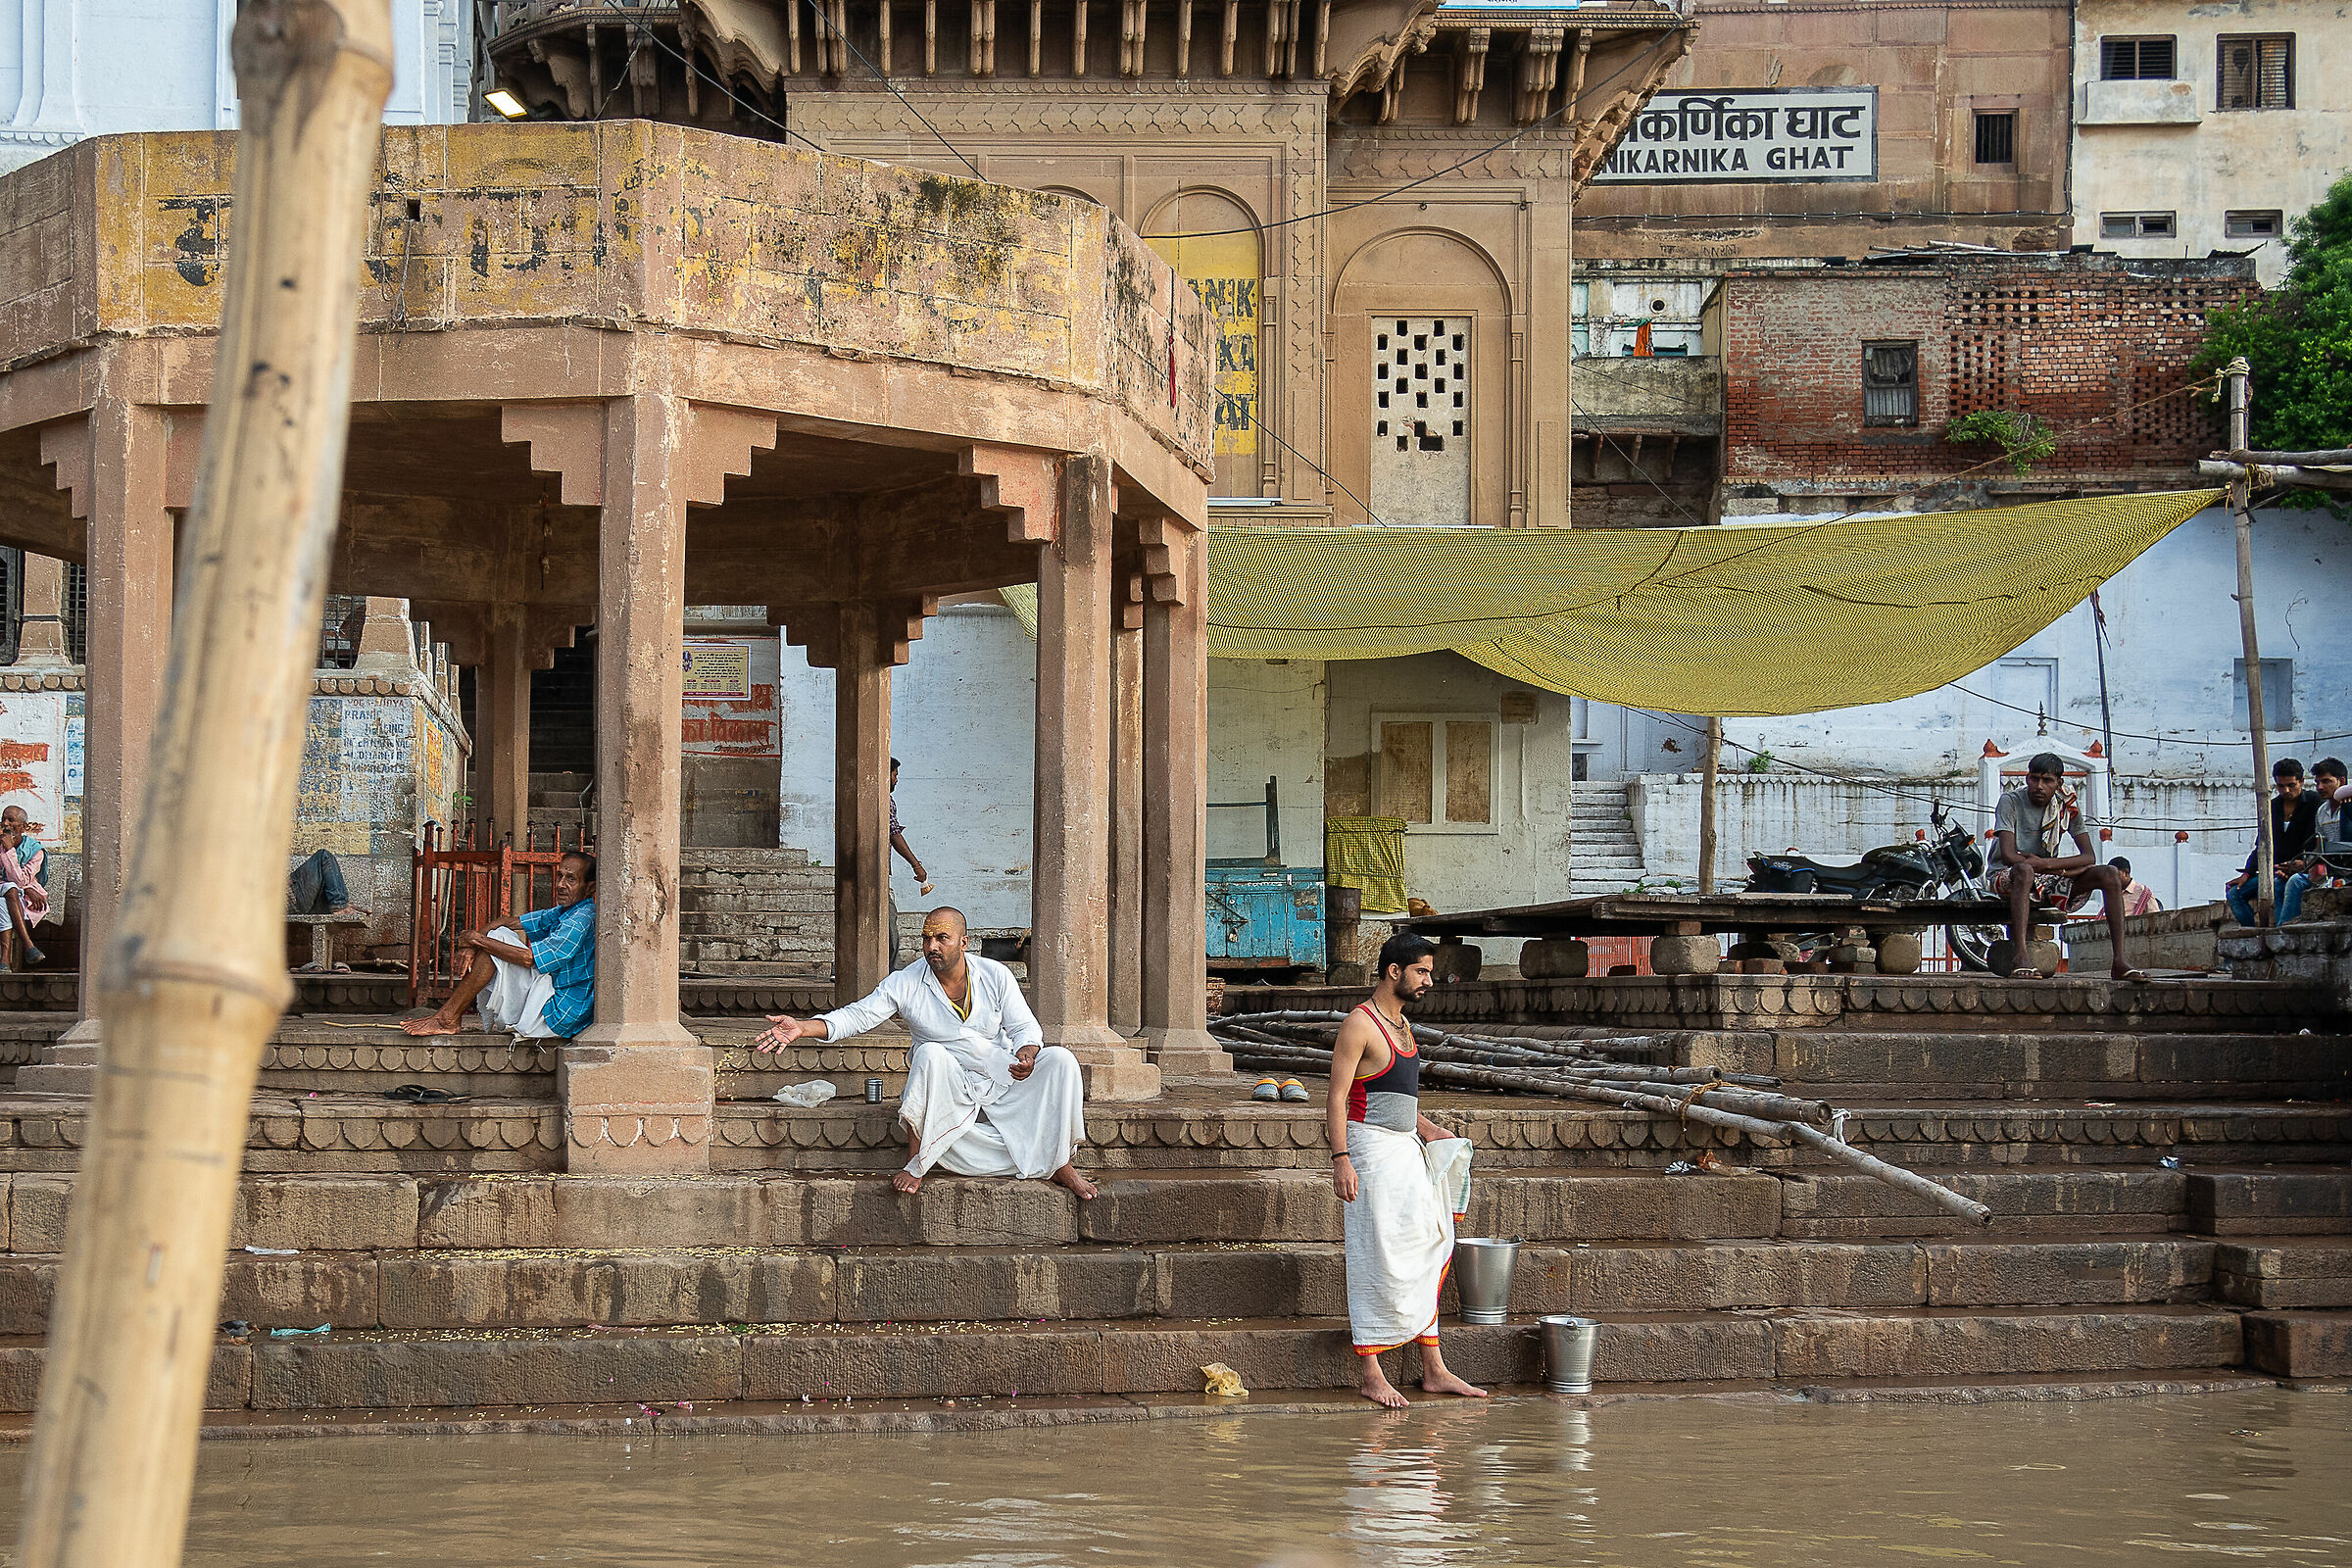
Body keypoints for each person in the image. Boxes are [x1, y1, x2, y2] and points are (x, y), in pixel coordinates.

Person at [753, 906, 1094, 1200]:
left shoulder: (995, 975)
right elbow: (857, 1016)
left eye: (941, 938)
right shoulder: (906, 981)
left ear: (964, 942)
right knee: (929, 1052)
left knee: (1061, 1060)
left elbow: (1024, 1028)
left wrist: (1027, 1055)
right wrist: (803, 1027)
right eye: (926, 938)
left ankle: (1059, 1163)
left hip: (1000, 1076)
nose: (931, 946)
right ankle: (917, 1161)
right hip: (947, 1084)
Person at [1328, 932, 1483, 1409]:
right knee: (1377, 1254)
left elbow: (1400, 1098)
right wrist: (1341, 1160)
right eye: (1421, 971)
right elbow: (1336, 1098)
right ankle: (1371, 1373)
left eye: (1429, 972)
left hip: (1405, 1149)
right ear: (1394, 971)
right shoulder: (1360, 1024)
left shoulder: (1404, 1026)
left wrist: (1431, 1128)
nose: (1428, 980)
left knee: (1427, 1245)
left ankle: (1434, 1369)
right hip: (1369, 1152)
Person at [401, 851, 596, 1038]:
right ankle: (448, 1016)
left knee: (494, 946)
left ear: (589, 888)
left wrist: (476, 940)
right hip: (550, 994)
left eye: (571, 879)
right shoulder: (566, 911)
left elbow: (529, 959)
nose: (561, 884)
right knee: (497, 937)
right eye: (560, 876)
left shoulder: (581, 919)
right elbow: (505, 921)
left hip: (561, 1012)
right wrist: (472, 944)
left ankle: (447, 1018)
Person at [1989, 753, 2139, 981]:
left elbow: (2088, 856)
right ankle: (2021, 957)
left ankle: (2119, 961)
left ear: (2059, 783)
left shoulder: (2066, 806)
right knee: (2024, 870)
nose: (2039, 786)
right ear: (2027, 779)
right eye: (2034, 778)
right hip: (2008, 876)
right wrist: (2043, 867)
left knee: (2109, 873)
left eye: (2047, 780)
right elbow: (2010, 856)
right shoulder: (2010, 801)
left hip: (2047, 875)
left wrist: (2046, 864)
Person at [2226, 759, 2319, 927]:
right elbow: (2261, 845)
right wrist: (2247, 873)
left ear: (2302, 781)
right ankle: (2255, 933)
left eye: (2291, 785)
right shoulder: (2271, 807)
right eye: (2281, 786)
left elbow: (2316, 842)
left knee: (2279, 886)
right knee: (2234, 893)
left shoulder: (2315, 802)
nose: (2286, 790)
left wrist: (2300, 864)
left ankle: (2281, 931)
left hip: (2302, 869)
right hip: (2273, 871)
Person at [887, 758, 933, 968]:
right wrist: (916, 865)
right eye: (895, 775)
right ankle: (894, 971)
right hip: (872, 874)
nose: (896, 780)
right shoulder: (885, 801)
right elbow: (894, 834)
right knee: (888, 925)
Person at [0, 807, 50, 970]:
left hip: (17, 897)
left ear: (24, 827)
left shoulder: (36, 850)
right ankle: (28, 946)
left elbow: (20, 880)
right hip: (12, 890)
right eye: (4, 819)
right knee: (11, 889)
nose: (5, 824)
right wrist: (27, 887)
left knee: (5, 901)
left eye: (11, 820)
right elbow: (18, 882)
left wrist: (10, 851)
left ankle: (5, 961)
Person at [287, 848, 367, 920]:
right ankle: (339, 905)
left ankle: (341, 904)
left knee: (323, 878)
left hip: (295, 903)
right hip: (291, 899)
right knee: (323, 856)